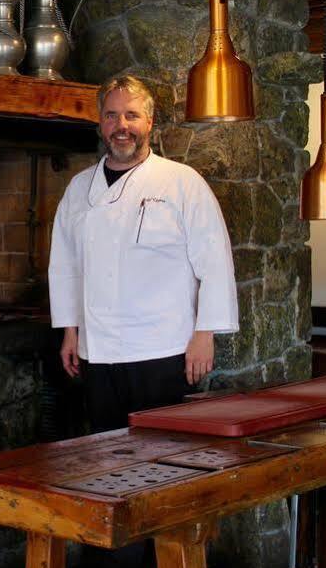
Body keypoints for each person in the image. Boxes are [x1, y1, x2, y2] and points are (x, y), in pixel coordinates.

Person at [49, 75, 238, 433]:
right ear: (100, 123)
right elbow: (65, 267)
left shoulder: (182, 182)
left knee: (165, 455)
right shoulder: (77, 189)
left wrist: (205, 335)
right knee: (107, 453)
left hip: (163, 350)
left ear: (149, 122)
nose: (121, 126)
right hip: (97, 351)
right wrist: (70, 332)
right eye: (111, 115)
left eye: (131, 115)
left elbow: (214, 263)